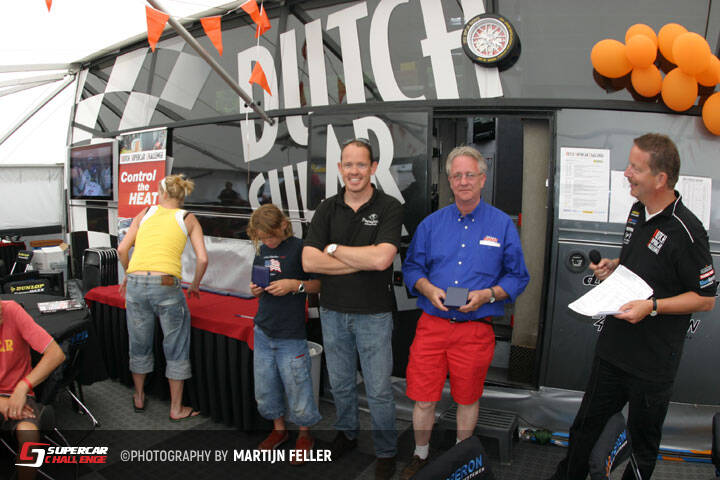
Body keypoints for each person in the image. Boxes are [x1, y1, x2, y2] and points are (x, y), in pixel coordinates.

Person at [547, 134, 716, 480]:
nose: (626, 173)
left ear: (660, 178)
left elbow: (705, 299)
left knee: (641, 446)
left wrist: (651, 307)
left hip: (651, 365)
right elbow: (641, 262)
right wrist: (615, 266)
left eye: (635, 168)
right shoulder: (638, 209)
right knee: (585, 427)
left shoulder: (688, 233)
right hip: (613, 351)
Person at [400, 145, 529, 479]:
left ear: (482, 178)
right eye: (456, 175)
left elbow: (518, 276)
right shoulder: (431, 224)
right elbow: (412, 268)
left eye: (469, 174)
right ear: (449, 181)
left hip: (475, 329)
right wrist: (427, 288)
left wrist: (489, 294)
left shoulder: (501, 225)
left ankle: (461, 459)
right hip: (432, 325)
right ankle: (420, 454)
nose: (463, 181)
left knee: (468, 399)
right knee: (424, 398)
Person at [302, 138, 403, 480]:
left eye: (361, 164)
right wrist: (358, 261)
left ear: (373, 168)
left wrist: (333, 249)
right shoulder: (327, 208)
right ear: (340, 168)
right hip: (332, 312)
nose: (354, 171)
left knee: (378, 390)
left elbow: (381, 259)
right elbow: (308, 260)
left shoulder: (389, 207)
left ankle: (387, 451)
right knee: (342, 384)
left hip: (374, 314)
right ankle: (347, 434)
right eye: (348, 164)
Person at [118, 174, 209, 422]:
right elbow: (202, 259)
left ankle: (139, 396)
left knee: (139, 342)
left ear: (163, 193)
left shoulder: (145, 212)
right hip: (166, 284)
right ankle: (176, 408)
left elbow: (122, 249)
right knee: (175, 345)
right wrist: (195, 285)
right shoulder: (188, 218)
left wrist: (129, 274)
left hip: (136, 282)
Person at [246, 204, 322, 463]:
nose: (267, 241)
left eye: (270, 236)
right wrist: (255, 289)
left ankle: (304, 435)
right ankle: (279, 430)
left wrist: (294, 285)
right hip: (263, 329)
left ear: (283, 226)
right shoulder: (261, 249)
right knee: (265, 387)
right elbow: (257, 282)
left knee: (298, 386)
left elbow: (320, 284)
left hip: (291, 332)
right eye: (262, 237)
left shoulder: (301, 248)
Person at [1, 300, 66, 480]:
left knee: (29, 435)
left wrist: (23, 386)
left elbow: (56, 354)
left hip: (17, 394)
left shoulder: (11, 310)